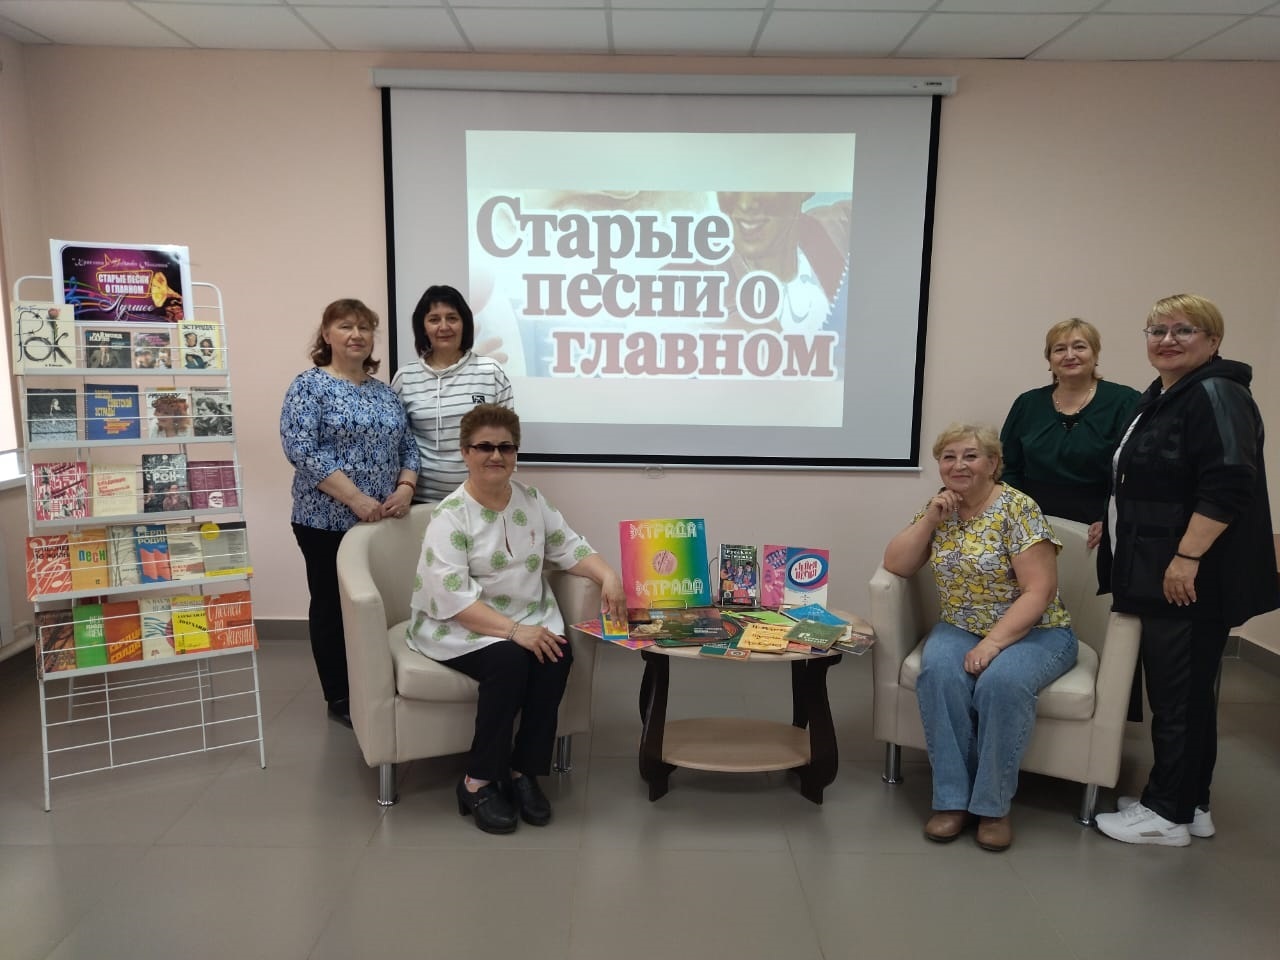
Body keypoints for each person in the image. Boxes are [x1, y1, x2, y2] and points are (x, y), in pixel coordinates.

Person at [1094, 294, 1278, 847]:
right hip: (1159, 569)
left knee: (1177, 697)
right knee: (1187, 694)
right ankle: (1191, 803)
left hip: (1188, 576)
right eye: (1157, 330)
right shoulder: (1164, 395)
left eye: (1183, 330)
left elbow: (1229, 482)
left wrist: (1187, 557)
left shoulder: (1218, 393)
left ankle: (1165, 815)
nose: (1167, 339)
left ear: (1213, 340)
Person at [406, 403, 625, 834]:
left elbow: (570, 547)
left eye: (505, 447)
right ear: (465, 452)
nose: (496, 455)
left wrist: (608, 576)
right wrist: (513, 632)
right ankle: (478, 780)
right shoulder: (450, 516)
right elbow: (453, 599)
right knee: (508, 662)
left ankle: (523, 771)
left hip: (527, 615)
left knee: (556, 654)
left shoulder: (532, 500)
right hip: (461, 626)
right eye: (484, 447)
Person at [882, 424, 1078, 852]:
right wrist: (930, 520)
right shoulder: (940, 506)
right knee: (938, 675)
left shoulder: (1018, 508)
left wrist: (993, 644)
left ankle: (993, 806)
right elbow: (896, 564)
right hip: (960, 624)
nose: (959, 465)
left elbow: (1039, 591)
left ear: (993, 464)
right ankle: (951, 800)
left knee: (1001, 684)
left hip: (1038, 630)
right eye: (948, 457)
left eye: (970, 456)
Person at [281, 298, 419, 727]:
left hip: (382, 525)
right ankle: (339, 694)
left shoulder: (385, 393)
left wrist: (406, 488)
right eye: (345, 326)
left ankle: (375, 685)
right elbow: (301, 450)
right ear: (326, 334)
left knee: (376, 606)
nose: (356, 335)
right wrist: (355, 498)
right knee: (332, 606)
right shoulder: (309, 386)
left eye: (364, 327)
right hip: (325, 521)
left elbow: (409, 448)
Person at [1000, 319, 1140, 537]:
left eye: (1079, 347)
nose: (1069, 355)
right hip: (1030, 522)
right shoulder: (1027, 404)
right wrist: (1014, 511)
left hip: (1099, 525)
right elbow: (1007, 466)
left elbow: (1134, 471)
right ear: (1049, 360)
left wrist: (1110, 517)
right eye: (1059, 349)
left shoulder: (1125, 402)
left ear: (1095, 355)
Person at [392, 284, 513, 503]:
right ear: (423, 327)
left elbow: (508, 440)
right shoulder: (405, 378)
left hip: (478, 498)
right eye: (434, 319)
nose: (444, 326)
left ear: (464, 323)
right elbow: (398, 444)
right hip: (420, 501)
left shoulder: (491, 372)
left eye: (452, 318)